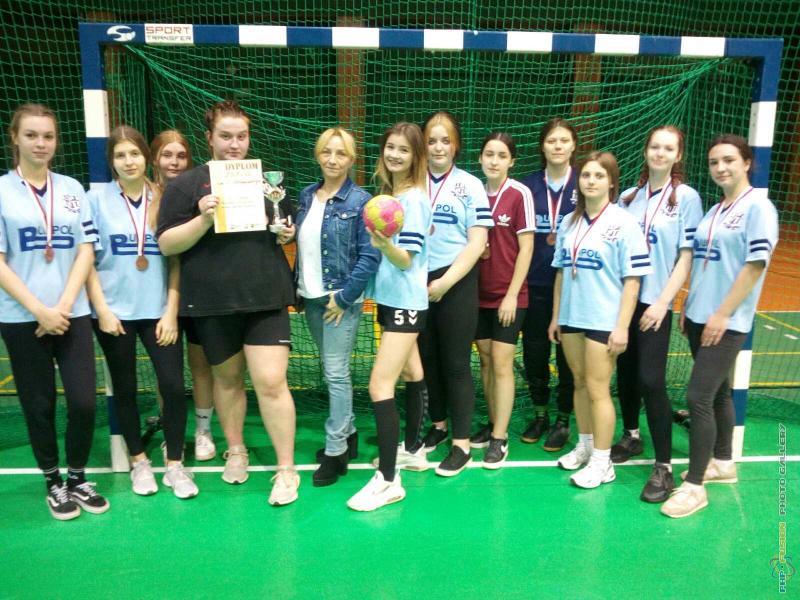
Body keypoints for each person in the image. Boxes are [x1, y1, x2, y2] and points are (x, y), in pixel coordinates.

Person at [156, 100, 300, 506]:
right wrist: (202, 218)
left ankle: (286, 469)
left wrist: (286, 233)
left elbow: (285, 227)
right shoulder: (186, 186)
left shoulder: (268, 182)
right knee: (228, 381)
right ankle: (236, 450)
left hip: (265, 298)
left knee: (271, 382)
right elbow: (166, 244)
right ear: (209, 138)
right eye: (226, 136)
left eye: (241, 136)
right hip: (213, 303)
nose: (234, 144)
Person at [0, 103, 108, 519]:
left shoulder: (72, 189)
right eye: (31, 135)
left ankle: (77, 477)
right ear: (15, 137)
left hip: (71, 313)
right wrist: (38, 310)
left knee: (84, 402)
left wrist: (63, 306)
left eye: (47, 136)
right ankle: (52, 481)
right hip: (21, 317)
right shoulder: (2, 191)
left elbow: (86, 250)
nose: (40, 143)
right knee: (38, 404)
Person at [662, 134, 778, 518]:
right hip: (699, 315)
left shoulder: (758, 207)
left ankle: (695, 486)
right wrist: (688, 303)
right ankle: (723, 463)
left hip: (725, 321)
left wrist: (723, 314)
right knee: (718, 394)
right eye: (714, 162)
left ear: (746, 162)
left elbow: (754, 266)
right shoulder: (715, 210)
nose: (720, 167)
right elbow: (702, 262)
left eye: (728, 160)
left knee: (697, 397)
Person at [86, 125, 196, 499]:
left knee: (173, 387)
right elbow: (87, 261)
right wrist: (102, 309)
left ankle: (175, 464)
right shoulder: (95, 200)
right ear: (112, 161)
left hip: (157, 312)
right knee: (126, 388)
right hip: (114, 313)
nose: (128, 161)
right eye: (120, 155)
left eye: (134, 153)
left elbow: (176, 261)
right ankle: (139, 461)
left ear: (146, 158)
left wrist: (171, 312)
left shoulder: (165, 196)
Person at [548, 151, 651, 489]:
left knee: (597, 388)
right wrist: (556, 316)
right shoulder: (569, 222)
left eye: (599, 176)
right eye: (586, 175)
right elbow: (561, 273)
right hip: (571, 316)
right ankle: (586, 446)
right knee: (579, 383)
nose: (591, 181)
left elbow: (632, 281)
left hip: (603, 319)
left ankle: (603, 462)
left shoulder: (624, 223)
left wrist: (622, 327)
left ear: (611, 182)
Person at [615, 125, 704, 503]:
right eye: (655, 146)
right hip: (624, 301)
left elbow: (686, 257)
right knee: (625, 374)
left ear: (678, 155)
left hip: (655, 302)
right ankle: (631, 435)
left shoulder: (687, 198)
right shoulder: (628, 197)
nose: (660, 153)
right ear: (646, 150)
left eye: (668, 148)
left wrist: (663, 302)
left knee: (651, 380)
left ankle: (664, 466)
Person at [347, 122, 430, 511]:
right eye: (390, 147)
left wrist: (381, 243)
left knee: (379, 386)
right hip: (391, 300)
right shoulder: (390, 195)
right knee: (413, 372)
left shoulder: (414, 200)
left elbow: (406, 259)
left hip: (406, 303)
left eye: (404, 150)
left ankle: (388, 480)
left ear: (416, 157)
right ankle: (413, 450)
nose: (395, 155)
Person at [295, 128, 380, 486]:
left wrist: (344, 298)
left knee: (336, 373)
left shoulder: (361, 201)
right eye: (326, 152)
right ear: (317, 155)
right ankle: (351, 434)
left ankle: (336, 450)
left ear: (352, 159)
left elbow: (370, 256)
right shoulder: (305, 195)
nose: (332, 159)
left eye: (340, 153)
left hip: (339, 301)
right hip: (311, 296)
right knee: (330, 370)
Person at [418, 111, 493, 477]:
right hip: (416, 282)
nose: (438, 147)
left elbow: (478, 242)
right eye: (432, 140)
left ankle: (461, 444)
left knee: (456, 364)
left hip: (457, 281)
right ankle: (438, 425)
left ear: (456, 145)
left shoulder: (470, 185)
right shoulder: (412, 181)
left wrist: (446, 282)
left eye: (445, 140)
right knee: (427, 359)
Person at [151, 129, 224, 462]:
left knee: (201, 365)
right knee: (167, 373)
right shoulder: (145, 195)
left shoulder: (199, 192)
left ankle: (203, 430)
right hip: (154, 297)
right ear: (155, 158)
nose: (174, 162)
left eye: (181, 156)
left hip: (192, 292)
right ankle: (172, 431)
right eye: (167, 155)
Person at [475, 132, 534, 469]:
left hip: (509, 296)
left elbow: (526, 248)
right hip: (477, 295)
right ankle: (493, 421)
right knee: (485, 361)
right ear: (480, 158)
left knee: (501, 362)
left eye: (501, 155)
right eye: (489, 154)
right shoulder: (473, 192)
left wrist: (512, 295)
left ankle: (500, 437)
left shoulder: (519, 194)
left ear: (512, 161)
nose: (494, 161)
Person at [519, 119, 578, 452]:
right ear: (542, 146)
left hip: (572, 289)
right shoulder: (527, 187)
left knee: (568, 359)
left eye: (564, 140)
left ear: (573, 145)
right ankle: (540, 413)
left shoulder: (584, 182)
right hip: (534, 285)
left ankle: (563, 419)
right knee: (535, 355)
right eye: (552, 140)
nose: (557, 146)